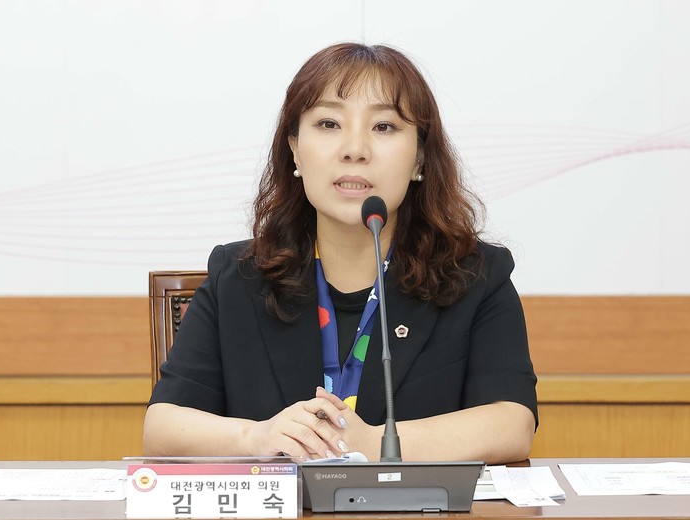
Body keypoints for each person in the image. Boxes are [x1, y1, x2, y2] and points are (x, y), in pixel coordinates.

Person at [144, 42, 537, 464]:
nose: (355, 149)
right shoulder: (239, 275)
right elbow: (162, 427)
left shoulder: (475, 275)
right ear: (295, 149)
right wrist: (260, 436)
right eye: (329, 123)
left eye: (383, 126)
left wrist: (377, 443)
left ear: (420, 158)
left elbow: (511, 422)